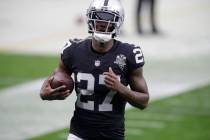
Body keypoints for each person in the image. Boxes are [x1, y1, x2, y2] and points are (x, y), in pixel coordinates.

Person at [40, 0, 149, 139]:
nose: (103, 22)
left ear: (118, 22)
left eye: (109, 18)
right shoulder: (73, 50)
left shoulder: (129, 54)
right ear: (90, 19)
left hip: (112, 135)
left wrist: (121, 88)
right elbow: (56, 79)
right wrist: (46, 94)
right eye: (98, 16)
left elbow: (144, 101)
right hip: (78, 134)